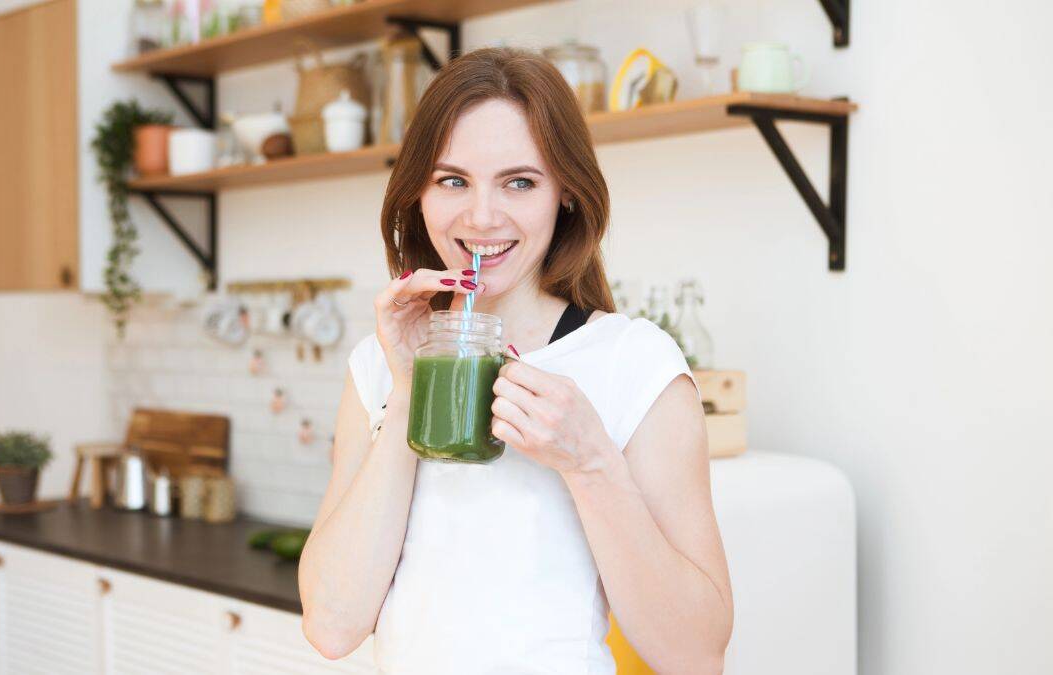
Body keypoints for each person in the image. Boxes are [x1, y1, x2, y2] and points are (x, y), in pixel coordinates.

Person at [299, 47, 732, 674]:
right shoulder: (377, 365)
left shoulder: (634, 364)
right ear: (417, 192)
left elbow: (697, 655)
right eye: (453, 180)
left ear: (567, 196)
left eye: (519, 182)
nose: (481, 217)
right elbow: (333, 626)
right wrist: (405, 393)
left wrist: (589, 463)